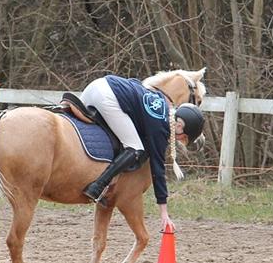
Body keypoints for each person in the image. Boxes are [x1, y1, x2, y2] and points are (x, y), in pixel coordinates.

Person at [78, 74, 205, 228]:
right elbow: (158, 171)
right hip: (106, 96)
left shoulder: (159, 102)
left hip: (94, 86)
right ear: (179, 126)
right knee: (135, 148)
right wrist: (163, 212)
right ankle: (97, 187)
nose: (178, 140)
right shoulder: (160, 127)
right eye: (182, 137)